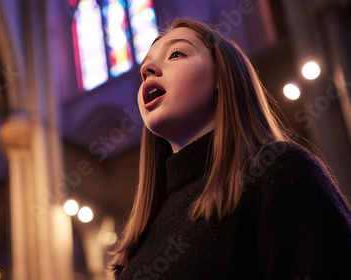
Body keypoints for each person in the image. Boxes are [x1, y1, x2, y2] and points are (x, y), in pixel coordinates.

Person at [109, 18, 351, 279]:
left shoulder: (278, 173)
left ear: (221, 76)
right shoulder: (140, 239)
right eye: (144, 68)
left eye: (176, 53)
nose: (148, 69)